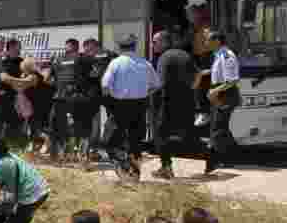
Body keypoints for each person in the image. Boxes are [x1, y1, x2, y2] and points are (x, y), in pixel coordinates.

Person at [100, 34, 160, 181]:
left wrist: (111, 99)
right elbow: (156, 85)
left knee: (109, 140)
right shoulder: (145, 63)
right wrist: (144, 94)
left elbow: (105, 86)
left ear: (120, 47)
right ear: (134, 46)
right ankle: (134, 173)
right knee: (135, 140)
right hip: (140, 104)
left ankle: (124, 165)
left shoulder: (116, 63)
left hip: (120, 105)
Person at [151, 31, 197, 179]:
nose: (153, 45)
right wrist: (189, 91)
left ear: (165, 42)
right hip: (186, 101)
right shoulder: (184, 55)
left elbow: (160, 83)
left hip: (167, 102)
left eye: (155, 42)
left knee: (160, 134)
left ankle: (166, 168)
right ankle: (212, 156)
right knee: (187, 134)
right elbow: (198, 76)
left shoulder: (164, 58)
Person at [47, 39, 96, 161]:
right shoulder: (84, 59)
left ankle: (60, 155)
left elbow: (48, 79)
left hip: (59, 98)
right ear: (77, 47)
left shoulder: (57, 60)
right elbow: (94, 74)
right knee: (82, 127)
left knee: (59, 128)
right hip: (77, 98)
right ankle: (82, 156)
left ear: (66, 47)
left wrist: (59, 85)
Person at [204, 31, 241, 174]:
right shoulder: (219, 55)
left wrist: (214, 91)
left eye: (208, 40)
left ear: (217, 41)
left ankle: (214, 162)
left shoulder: (226, 55)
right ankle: (231, 157)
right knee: (221, 127)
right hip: (220, 93)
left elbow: (232, 80)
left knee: (217, 128)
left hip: (225, 94)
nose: (206, 43)